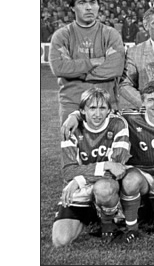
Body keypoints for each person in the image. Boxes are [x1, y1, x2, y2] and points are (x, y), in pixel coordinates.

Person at [60, 81, 154, 242]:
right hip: (141, 177)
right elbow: (99, 112)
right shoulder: (128, 117)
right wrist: (74, 116)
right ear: (142, 102)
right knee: (130, 180)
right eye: (150, 100)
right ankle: (131, 227)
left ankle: (145, 209)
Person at [52, 88, 130, 247]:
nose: (97, 114)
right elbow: (68, 171)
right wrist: (106, 165)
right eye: (92, 108)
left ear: (109, 110)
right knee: (60, 240)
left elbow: (117, 169)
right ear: (82, 110)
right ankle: (92, 213)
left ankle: (108, 218)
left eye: (102, 108)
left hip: (101, 184)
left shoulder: (118, 124)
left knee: (104, 189)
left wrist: (79, 180)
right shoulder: (71, 129)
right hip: (81, 190)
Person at [49, 0, 125, 122]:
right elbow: (59, 68)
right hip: (72, 105)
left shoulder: (111, 34)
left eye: (92, 2)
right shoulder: (62, 36)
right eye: (82, 2)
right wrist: (93, 62)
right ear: (72, 7)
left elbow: (116, 68)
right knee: (71, 137)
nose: (89, 7)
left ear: (98, 6)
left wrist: (79, 73)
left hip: (106, 104)